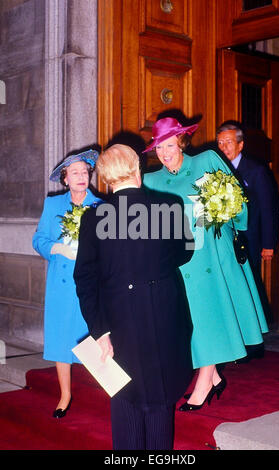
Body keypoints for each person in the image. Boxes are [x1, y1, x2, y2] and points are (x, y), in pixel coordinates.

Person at [142, 117, 268, 412]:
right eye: (159, 147)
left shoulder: (207, 161)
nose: (165, 152)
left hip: (211, 254)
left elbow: (239, 204)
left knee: (208, 317)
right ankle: (211, 378)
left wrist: (216, 213)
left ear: (182, 142)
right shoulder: (150, 180)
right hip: (176, 260)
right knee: (192, 321)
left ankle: (204, 381)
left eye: (170, 145)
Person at [73, 144, 193, 450]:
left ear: (106, 180)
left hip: (117, 320)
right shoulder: (170, 207)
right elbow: (184, 254)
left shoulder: (94, 219)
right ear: (137, 170)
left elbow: (85, 280)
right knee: (160, 399)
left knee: (124, 396)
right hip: (162, 315)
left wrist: (99, 331)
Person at [32, 149, 102, 418]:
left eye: (85, 172)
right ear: (65, 179)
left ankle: (106, 387)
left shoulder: (100, 206)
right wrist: (58, 248)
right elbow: (39, 240)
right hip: (61, 283)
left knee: (95, 334)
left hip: (90, 281)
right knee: (62, 337)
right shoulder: (53, 205)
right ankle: (65, 394)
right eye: (75, 173)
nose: (81, 177)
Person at [216, 121, 279, 274]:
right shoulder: (216, 171)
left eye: (229, 142)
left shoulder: (256, 171)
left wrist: (268, 244)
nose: (224, 147)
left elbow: (267, 209)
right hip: (225, 242)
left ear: (240, 145)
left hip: (250, 240)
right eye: (220, 143)